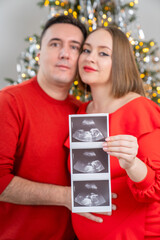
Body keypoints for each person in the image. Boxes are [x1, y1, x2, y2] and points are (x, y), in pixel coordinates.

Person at [0, 14, 88, 240]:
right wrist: (67, 196)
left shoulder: (84, 113)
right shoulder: (9, 102)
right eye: (55, 43)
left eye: (74, 47)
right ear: (39, 54)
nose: (64, 53)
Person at [69, 27, 160, 239]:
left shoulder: (141, 109)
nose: (90, 58)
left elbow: (156, 188)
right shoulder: (82, 112)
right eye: (86, 50)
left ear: (120, 63)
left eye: (103, 53)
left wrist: (131, 163)